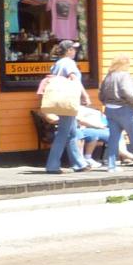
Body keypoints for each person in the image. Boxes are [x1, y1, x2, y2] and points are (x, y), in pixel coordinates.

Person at [42, 38, 92, 173]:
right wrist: (85, 95)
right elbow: (74, 80)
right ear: (69, 50)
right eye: (74, 49)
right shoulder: (69, 63)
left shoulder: (57, 64)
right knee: (64, 133)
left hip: (60, 101)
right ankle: (52, 165)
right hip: (68, 102)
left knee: (72, 132)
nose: (75, 51)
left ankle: (79, 164)